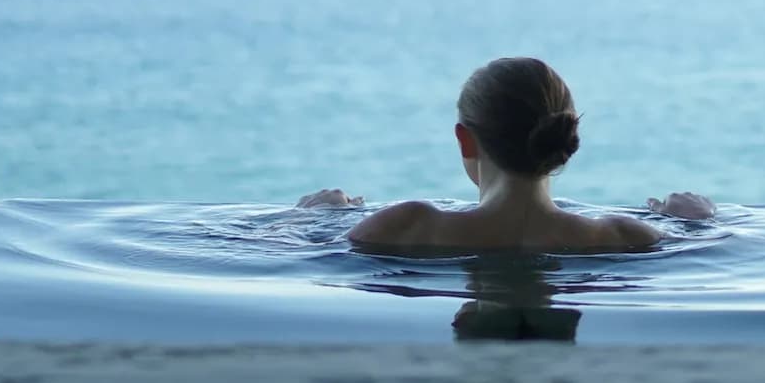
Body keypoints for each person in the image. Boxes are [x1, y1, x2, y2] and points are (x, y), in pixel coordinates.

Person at [296, 56, 716, 252]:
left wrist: (315, 217)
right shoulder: (624, 237)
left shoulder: (407, 227)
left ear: (465, 140)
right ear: (565, 143)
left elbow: (299, 250)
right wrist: (696, 223)